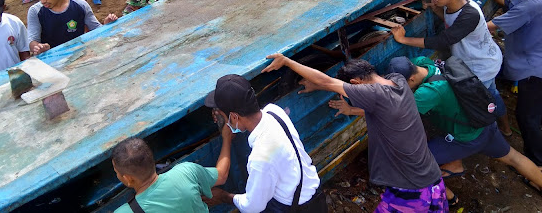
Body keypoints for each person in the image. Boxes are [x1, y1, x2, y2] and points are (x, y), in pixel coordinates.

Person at [262, 55, 445, 212]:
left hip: (411, 189)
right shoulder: (398, 81)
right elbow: (380, 110)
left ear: (356, 83)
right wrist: (347, 107)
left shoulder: (375, 95)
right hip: (432, 178)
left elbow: (327, 82)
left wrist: (287, 61)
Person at [387, 56, 542, 206]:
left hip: (465, 139)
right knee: (514, 158)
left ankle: (450, 197)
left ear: (411, 79)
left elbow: (399, 117)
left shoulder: (428, 93)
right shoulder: (424, 63)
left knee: (416, 164)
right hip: (485, 123)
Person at [391, 0, 510, 134]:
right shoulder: (452, 3)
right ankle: (504, 129)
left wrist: (404, 39)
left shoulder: (469, 14)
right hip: (476, 60)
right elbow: (451, 22)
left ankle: (491, 134)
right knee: (491, 95)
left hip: (482, 65)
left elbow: (443, 40)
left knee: (482, 103)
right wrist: (435, 8)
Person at [204, 74, 326, 211]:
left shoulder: (260, 159)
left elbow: (253, 207)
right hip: (315, 193)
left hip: (297, 208)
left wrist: (222, 196)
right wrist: (228, 121)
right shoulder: (274, 111)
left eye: (224, 116)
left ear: (234, 116)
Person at [482, 0, 542, 174]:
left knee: (527, 117)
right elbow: (506, 1)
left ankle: (540, 164)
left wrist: (466, 17)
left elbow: (490, 26)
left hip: (534, 68)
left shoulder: (528, 6)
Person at [112, 128, 231, 213]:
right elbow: (222, 175)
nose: (117, 175)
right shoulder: (186, 171)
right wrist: (227, 138)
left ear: (128, 178)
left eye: (116, 172)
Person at [27, 0, 117, 54]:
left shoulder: (80, 5)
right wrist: (38, 47)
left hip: (79, 56)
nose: (42, 1)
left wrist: (106, 26)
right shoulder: (35, 11)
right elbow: (32, 40)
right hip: (51, 61)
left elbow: (96, 29)